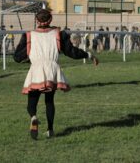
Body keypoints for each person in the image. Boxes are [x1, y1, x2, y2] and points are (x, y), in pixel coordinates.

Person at [14, 9, 98, 140]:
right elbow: (72, 52)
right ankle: (50, 130)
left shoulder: (29, 35)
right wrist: (88, 54)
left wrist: (29, 51)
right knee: (49, 101)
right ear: (50, 19)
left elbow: (17, 57)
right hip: (52, 69)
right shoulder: (59, 34)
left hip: (36, 70)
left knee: (32, 100)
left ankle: (33, 117)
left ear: (36, 20)